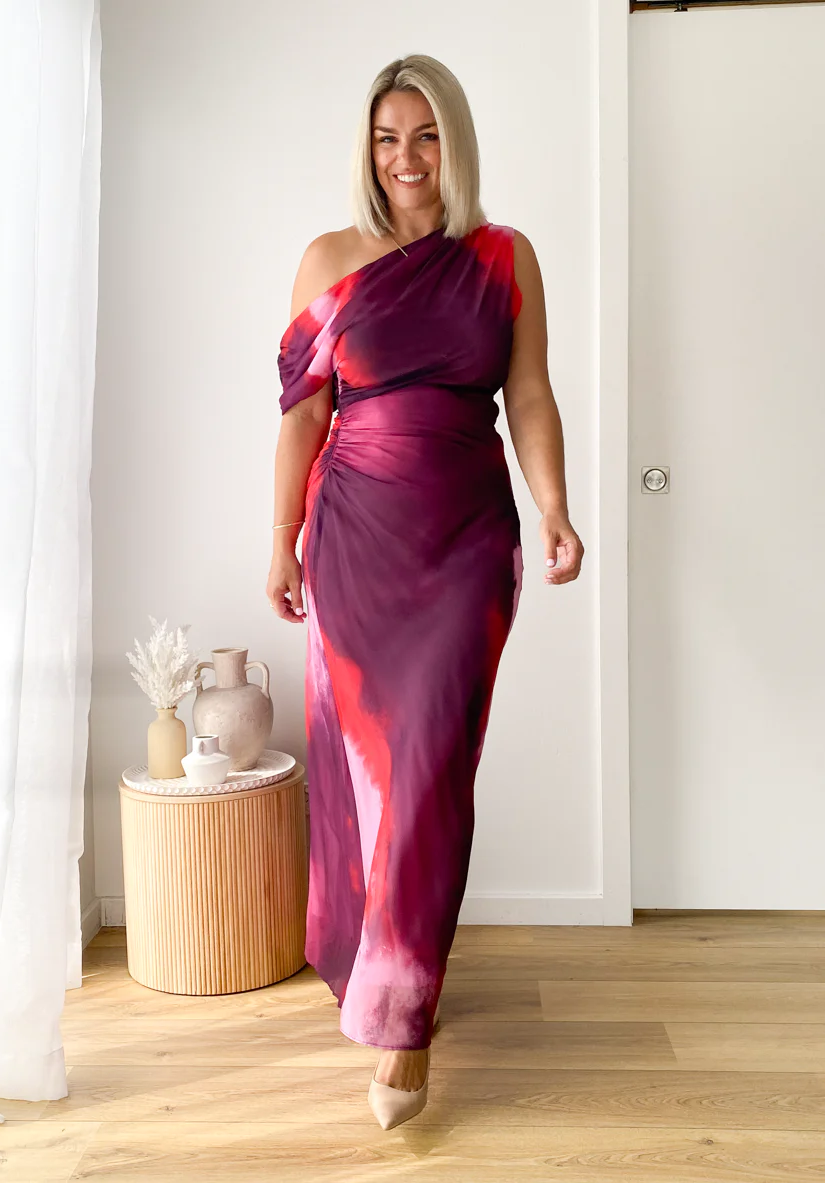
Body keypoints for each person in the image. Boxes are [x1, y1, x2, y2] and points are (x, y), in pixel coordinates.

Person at [266, 53, 583, 1129]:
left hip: (465, 542)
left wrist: (553, 505)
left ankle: (403, 1029)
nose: (405, 157)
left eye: (426, 135)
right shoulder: (326, 259)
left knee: (430, 772)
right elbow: (302, 418)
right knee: (370, 779)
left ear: (456, 142)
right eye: (386, 137)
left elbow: (528, 391)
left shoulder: (503, 256)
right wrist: (280, 541)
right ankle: (385, 968)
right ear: (366, 149)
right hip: (354, 539)